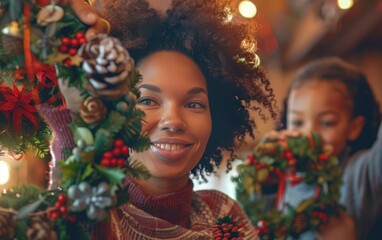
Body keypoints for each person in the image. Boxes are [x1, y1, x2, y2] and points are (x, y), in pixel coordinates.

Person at [39, 0, 277, 239]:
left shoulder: (225, 215)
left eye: (194, 104)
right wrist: (80, 116)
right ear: (112, 110)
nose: (172, 120)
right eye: (147, 101)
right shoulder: (93, 210)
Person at [272, 57, 381, 240]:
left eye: (326, 122)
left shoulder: (359, 174)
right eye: (297, 122)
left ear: (354, 127)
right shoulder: (281, 177)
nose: (309, 134)